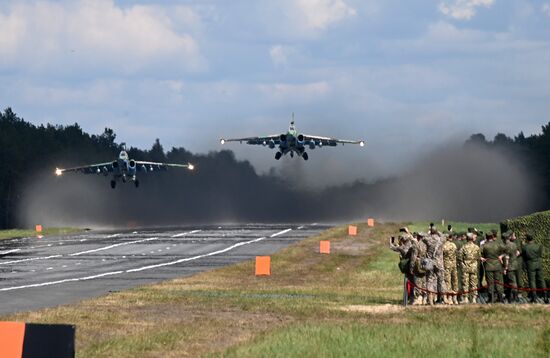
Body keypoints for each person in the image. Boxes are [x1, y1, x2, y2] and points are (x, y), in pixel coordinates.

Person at [389, 231, 415, 304]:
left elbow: (391, 247)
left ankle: (409, 297)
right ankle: (412, 297)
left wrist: (390, 241)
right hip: (413, 266)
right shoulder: (412, 245)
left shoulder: (402, 247)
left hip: (407, 267)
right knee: (413, 282)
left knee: (408, 283)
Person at [422, 226, 446, 305]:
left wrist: (429, 232)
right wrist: (437, 232)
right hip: (439, 263)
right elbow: (443, 236)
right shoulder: (441, 239)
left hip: (430, 263)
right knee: (441, 280)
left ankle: (430, 300)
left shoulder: (428, 239)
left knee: (430, 280)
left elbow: (423, 237)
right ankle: (442, 298)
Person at [481, 231, 506, 303]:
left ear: (486, 237)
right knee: (498, 282)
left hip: (488, 265)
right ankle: (500, 298)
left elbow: (479, 254)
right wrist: (501, 256)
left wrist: (482, 258)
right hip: (497, 265)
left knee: (490, 282)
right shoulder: (498, 244)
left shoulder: (484, 245)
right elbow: (506, 250)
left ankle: (491, 298)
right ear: (492, 237)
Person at [522, 234, 547, 303]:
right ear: (533, 238)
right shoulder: (538, 246)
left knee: (532, 281)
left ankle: (534, 297)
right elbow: (540, 255)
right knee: (541, 280)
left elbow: (524, 257)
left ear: (527, 239)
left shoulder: (525, 247)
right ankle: (545, 295)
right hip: (538, 264)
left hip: (530, 264)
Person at [459, 233, 480, 304]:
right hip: (474, 266)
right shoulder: (477, 247)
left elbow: (460, 257)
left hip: (466, 267)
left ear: (467, 239)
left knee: (465, 283)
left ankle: (466, 298)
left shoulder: (464, 247)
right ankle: (474, 298)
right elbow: (478, 256)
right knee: (474, 283)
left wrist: (463, 264)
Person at [409, 232, 428, 305]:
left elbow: (413, 257)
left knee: (417, 281)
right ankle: (424, 298)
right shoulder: (426, 245)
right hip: (425, 264)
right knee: (424, 282)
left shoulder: (416, 245)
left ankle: (418, 298)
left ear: (418, 237)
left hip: (418, 265)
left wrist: (411, 267)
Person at [443, 234, 459, 304]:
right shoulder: (453, 245)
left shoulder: (443, 246)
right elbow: (456, 253)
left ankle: (449, 298)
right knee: (455, 280)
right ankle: (455, 297)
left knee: (447, 281)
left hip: (446, 265)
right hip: (454, 264)